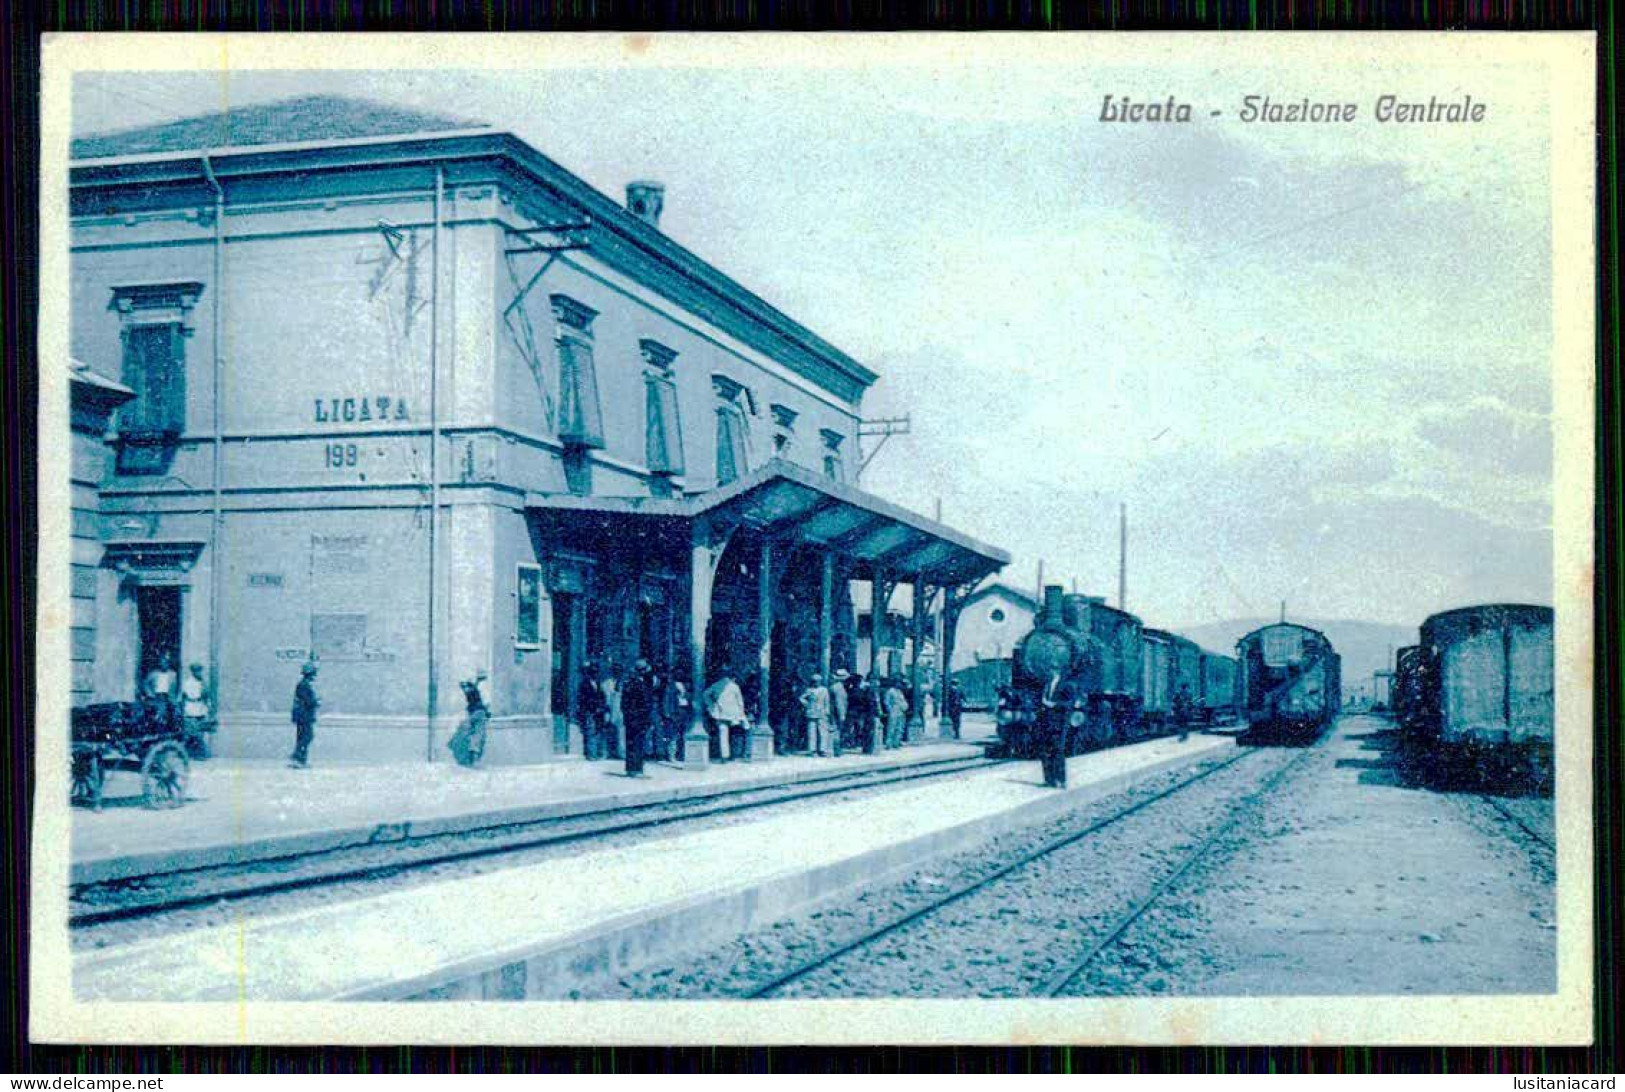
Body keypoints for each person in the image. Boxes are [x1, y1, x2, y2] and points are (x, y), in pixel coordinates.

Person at [1037, 671, 1077, 789]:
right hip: (1046, 723)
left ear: (1057, 671)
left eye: (1052, 670)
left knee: (1058, 751)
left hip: (1059, 724)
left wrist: (1053, 704)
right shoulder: (1047, 685)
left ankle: (1061, 780)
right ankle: (1049, 780)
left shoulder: (1066, 685)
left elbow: (1070, 703)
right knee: (1045, 752)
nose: (1049, 672)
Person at [619, 658, 656, 778]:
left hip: (631, 718)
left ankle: (631, 769)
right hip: (638, 718)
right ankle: (637, 770)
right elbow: (644, 702)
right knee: (637, 744)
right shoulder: (639, 684)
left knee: (632, 743)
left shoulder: (629, 683)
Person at [448, 670, 490, 767]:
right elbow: (485, 702)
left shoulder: (469, 690)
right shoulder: (478, 689)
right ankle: (473, 750)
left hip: (471, 712)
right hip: (478, 712)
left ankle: (461, 746)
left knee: (469, 730)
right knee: (477, 733)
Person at [704, 672, 747, 761]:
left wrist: (712, 705)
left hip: (721, 713)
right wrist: (742, 715)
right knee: (734, 734)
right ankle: (734, 754)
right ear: (733, 678)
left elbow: (705, 694)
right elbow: (740, 702)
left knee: (723, 734)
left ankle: (724, 756)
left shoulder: (717, 685)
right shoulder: (735, 687)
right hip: (734, 715)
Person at [289, 660, 320, 768]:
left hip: (302, 715)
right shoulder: (304, 685)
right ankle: (298, 757)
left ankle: (300, 758)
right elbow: (308, 701)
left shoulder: (303, 684)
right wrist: (316, 702)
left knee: (302, 736)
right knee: (307, 736)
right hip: (304, 716)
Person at [180, 662, 214, 759]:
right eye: (196, 671)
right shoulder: (187, 683)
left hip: (200, 708)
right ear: (193, 672)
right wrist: (183, 710)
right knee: (192, 733)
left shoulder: (203, 682)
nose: (199, 673)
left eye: (200, 671)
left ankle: (197, 754)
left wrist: (208, 707)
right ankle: (191, 753)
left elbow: (206, 695)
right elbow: (184, 696)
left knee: (200, 731)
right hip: (191, 708)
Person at [579, 662, 608, 760]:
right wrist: (593, 708)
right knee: (590, 731)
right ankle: (591, 754)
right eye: (593, 672)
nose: (595, 674)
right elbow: (584, 699)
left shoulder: (599, 684)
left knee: (598, 731)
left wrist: (602, 708)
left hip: (599, 712)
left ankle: (599, 752)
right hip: (590, 711)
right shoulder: (584, 684)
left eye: (596, 672)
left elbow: (602, 697)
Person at [800, 671, 832, 756]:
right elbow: (801, 698)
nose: (816, 682)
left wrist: (827, 710)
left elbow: (827, 701)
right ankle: (812, 749)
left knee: (822, 731)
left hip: (821, 712)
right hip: (811, 711)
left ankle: (822, 749)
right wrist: (807, 704)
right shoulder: (809, 690)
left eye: (818, 681)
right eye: (814, 681)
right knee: (811, 732)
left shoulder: (824, 690)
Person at [661, 675, 691, 761]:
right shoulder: (670, 686)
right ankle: (672, 755)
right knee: (672, 734)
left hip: (683, 711)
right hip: (674, 711)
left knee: (682, 733)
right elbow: (666, 700)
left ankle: (681, 755)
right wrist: (667, 713)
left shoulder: (686, 686)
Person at [883, 677, 909, 749]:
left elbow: (903, 701)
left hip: (901, 711)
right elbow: (886, 701)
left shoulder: (900, 692)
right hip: (894, 710)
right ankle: (888, 743)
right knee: (891, 727)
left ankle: (896, 742)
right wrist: (890, 710)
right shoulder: (890, 691)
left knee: (900, 727)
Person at [830, 668, 850, 754]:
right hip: (837, 711)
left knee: (836, 730)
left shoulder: (836, 686)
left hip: (835, 710)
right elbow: (839, 702)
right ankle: (836, 749)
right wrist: (842, 715)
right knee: (836, 730)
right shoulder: (838, 688)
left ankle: (836, 748)